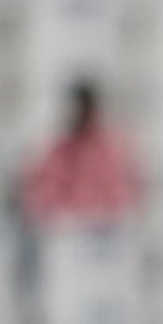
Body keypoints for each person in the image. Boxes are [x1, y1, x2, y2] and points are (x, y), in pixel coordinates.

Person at [20, 79, 143, 230]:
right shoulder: (61, 149)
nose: (82, 113)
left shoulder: (112, 147)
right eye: (78, 108)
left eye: (86, 108)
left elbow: (125, 193)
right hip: (68, 231)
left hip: (106, 230)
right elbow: (43, 193)